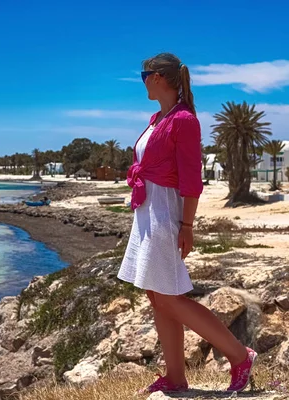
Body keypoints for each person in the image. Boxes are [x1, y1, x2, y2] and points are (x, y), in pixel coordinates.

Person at [117, 53, 256, 393]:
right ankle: (176, 378)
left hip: (165, 212)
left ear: (158, 78)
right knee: (157, 294)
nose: (143, 81)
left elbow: (192, 179)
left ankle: (240, 356)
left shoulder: (183, 120)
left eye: (143, 75)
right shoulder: (157, 118)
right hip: (148, 212)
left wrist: (187, 226)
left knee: (169, 297)